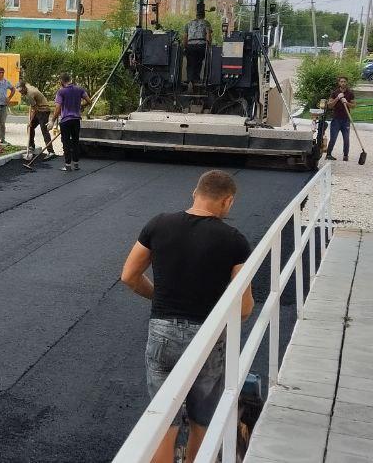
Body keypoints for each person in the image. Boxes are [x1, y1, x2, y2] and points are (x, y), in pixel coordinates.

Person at [119, 170, 254, 463]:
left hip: (162, 334)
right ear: (227, 201)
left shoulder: (158, 224)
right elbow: (243, 307)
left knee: (163, 424)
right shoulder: (234, 241)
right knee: (201, 422)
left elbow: (129, 276)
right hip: (207, 337)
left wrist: (160, 297)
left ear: (195, 193)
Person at [51, 73, 89, 172]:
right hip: (76, 120)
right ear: (70, 79)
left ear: (61, 81)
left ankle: (68, 165)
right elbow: (89, 101)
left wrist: (52, 120)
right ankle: (76, 164)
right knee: (75, 142)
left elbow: (58, 107)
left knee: (66, 143)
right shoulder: (79, 89)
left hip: (65, 121)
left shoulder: (61, 92)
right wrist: (82, 106)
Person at [20, 81, 56, 157]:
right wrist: (30, 122)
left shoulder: (30, 94)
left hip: (44, 110)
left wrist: (30, 120)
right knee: (30, 127)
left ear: (24, 88)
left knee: (44, 130)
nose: (20, 93)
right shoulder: (27, 86)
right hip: (39, 109)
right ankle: (31, 145)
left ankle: (51, 151)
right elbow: (27, 83)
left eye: (21, 91)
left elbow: (34, 109)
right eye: (19, 91)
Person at [325, 76, 356, 160]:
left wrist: (346, 102)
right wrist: (338, 98)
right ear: (339, 83)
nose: (343, 83)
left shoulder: (350, 93)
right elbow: (330, 105)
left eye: (344, 81)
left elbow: (353, 106)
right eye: (341, 81)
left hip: (346, 119)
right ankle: (328, 155)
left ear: (347, 83)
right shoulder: (334, 93)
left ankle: (345, 156)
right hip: (336, 119)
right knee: (333, 138)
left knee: (346, 139)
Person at [183, 1, 212, 84]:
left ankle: (189, 79)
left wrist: (185, 46)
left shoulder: (188, 23)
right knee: (198, 62)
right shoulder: (206, 23)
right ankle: (196, 79)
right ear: (204, 15)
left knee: (190, 63)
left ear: (196, 15)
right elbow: (208, 35)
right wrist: (209, 45)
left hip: (190, 45)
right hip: (201, 45)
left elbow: (185, 37)